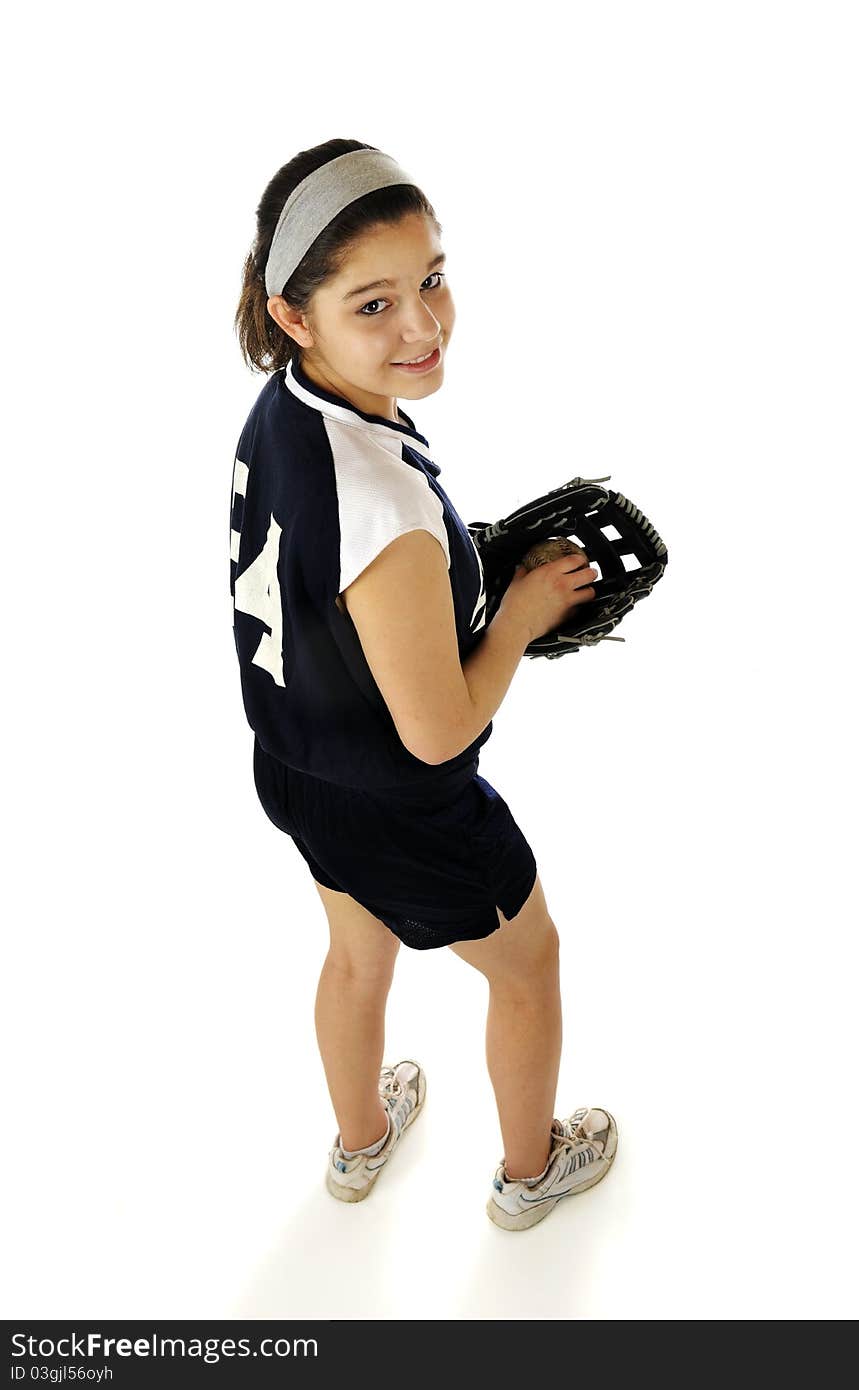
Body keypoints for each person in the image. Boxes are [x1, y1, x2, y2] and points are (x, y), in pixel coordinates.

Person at [230, 137, 619, 1231]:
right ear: (293, 314)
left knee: (357, 955)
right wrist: (521, 617)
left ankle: (358, 1149)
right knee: (528, 966)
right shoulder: (386, 511)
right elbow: (442, 731)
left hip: (299, 767)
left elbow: (323, 590)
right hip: (409, 804)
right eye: (374, 304)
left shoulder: (287, 407)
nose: (422, 327)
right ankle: (530, 1170)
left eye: (433, 278)